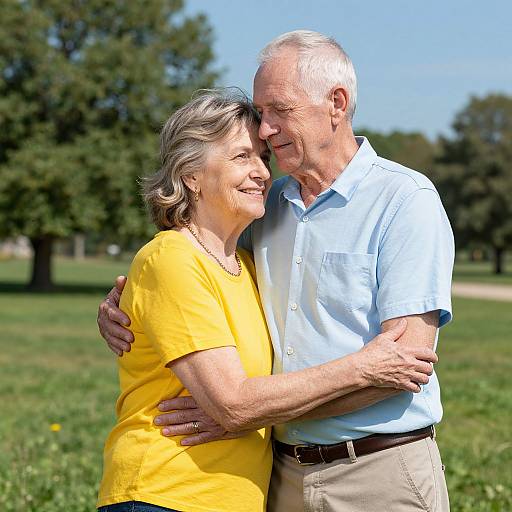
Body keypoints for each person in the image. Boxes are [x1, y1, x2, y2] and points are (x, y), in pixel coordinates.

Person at [98, 31, 454, 512]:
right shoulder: (267, 214)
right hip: (278, 478)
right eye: (258, 123)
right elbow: (180, 264)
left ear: (337, 102)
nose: (265, 131)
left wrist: (245, 414)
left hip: (377, 471)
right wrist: (121, 308)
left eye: (277, 111)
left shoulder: (405, 201)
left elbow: (403, 365)